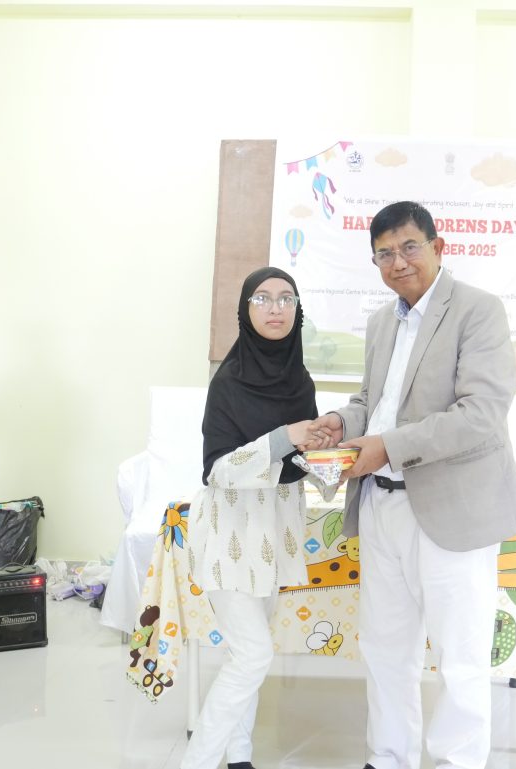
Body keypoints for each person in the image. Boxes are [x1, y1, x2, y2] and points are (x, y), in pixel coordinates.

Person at [309, 202, 516, 769]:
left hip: (453, 511)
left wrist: (387, 446)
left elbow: (482, 413)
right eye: (384, 253)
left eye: (409, 247)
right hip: (380, 505)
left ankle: (458, 761)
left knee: (459, 656)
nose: (398, 262)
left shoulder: (478, 310)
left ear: (438, 246)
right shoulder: (382, 322)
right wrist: (341, 422)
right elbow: (373, 403)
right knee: (385, 648)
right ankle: (388, 756)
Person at [182, 266, 321, 769]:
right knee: (253, 655)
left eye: (286, 298)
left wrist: (328, 453)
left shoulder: (300, 380)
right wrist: (286, 437)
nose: (276, 308)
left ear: (298, 311)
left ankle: (239, 756)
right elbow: (218, 470)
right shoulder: (228, 382)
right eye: (262, 299)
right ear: (245, 310)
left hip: (275, 536)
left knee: (245, 656)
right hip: (230, 536)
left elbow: (297, 464)